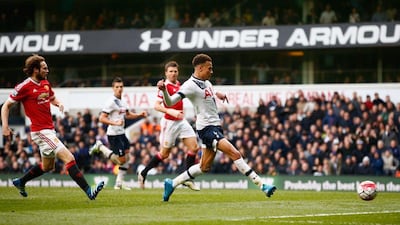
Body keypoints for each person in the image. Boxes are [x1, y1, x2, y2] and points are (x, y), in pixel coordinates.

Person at [157, 53, 276, 201]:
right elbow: (169, 103)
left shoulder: (207, 83)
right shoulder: (189, 85)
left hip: (215, 127)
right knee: (235, 153)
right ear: (200, 68)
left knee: (204, 167)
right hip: (206, 129)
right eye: (209, 68)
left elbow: (207, 94)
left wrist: (217, 94)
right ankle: (262, 184)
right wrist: (164, 91)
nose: (211, 71)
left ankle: (172, 183)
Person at [1, 54, 104, 200]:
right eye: (44, 68)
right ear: (35, 69)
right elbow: (6, 106)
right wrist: (5, 127)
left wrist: (59, 103)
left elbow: (51, 97)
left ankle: (20, 181)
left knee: (47, 167)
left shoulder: (45, 83)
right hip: (40, 132)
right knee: (69, 158)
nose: (47, 70)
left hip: (49, 130)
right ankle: (89, 191)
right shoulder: (24, 87)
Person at [137, 61, 200, 191]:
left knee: (194, 148)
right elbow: (156, 106)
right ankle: (143, 173)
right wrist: (171, 111)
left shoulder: (178, 85)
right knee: (165, 154)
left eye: (175, 71)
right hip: (169, 123)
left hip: (181, 121)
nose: (173, 73)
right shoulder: (164, 87)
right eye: (170, 71)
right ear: (166, 73)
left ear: (178, 72)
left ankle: (186, 179)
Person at [89, 76, 147, 190]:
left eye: (121, 87)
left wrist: (139, 115)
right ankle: (100, 146)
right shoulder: (110, 102)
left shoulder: (122, 102)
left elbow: (128, 115)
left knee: (127, 157)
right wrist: (114, 123)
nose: (119, 89)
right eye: (117, 87)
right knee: (121, 160)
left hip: (121, 133)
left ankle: (119, 183)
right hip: (114, 134)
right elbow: (101, 118)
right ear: (113, 88)